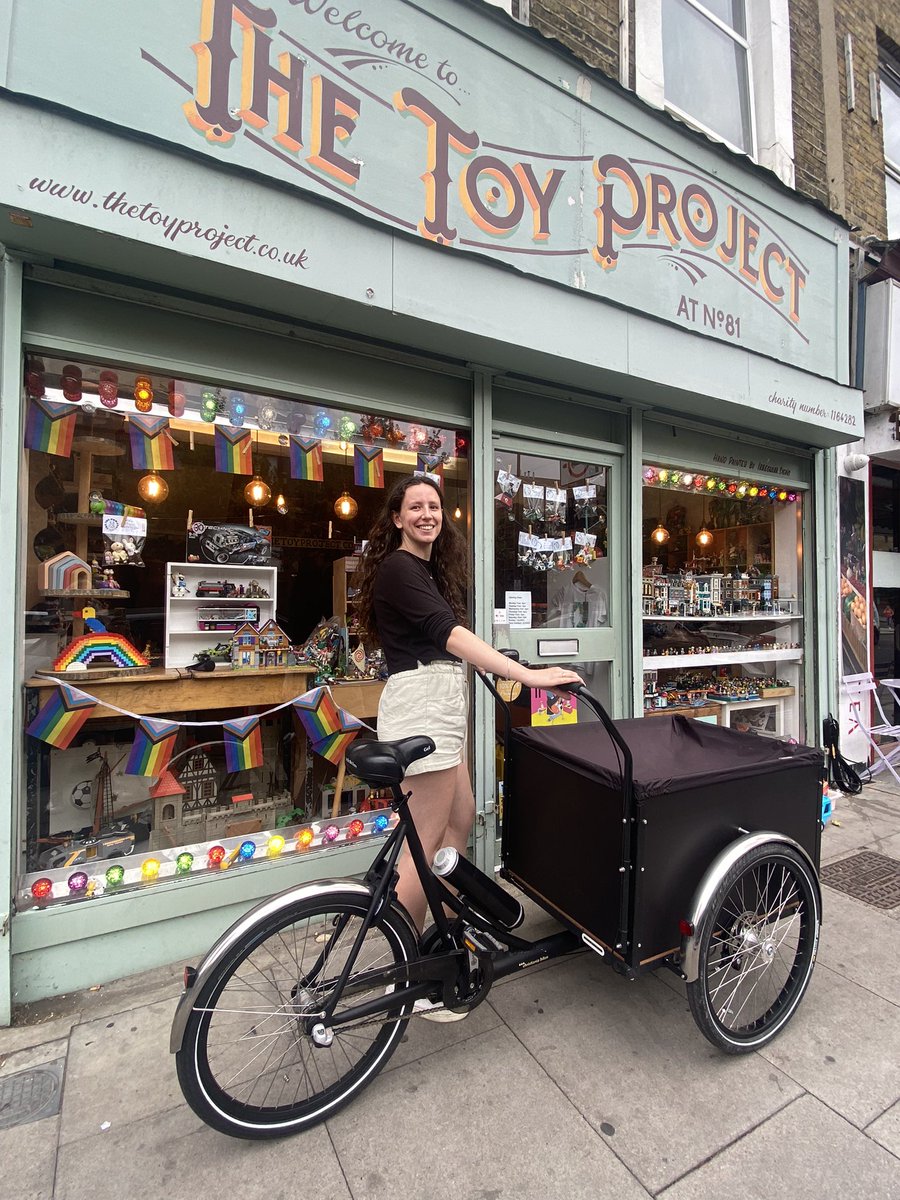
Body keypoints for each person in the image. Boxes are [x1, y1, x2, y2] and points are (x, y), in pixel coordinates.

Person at [354, 475, 583, 1017]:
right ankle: (403, 981)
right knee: (422, 851)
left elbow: (446, 638)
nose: (427, 514)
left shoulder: (423, 571)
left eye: (434, 506)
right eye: (415, 507)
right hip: (422, 714)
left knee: (457, 825)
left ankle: (449, 948)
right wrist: (526, 675)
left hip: (439, 712)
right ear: (397, 519)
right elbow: (447, 635)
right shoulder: (398, 568)